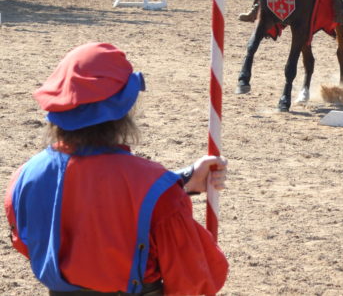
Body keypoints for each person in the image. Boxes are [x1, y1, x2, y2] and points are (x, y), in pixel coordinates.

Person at [5, 42, 228, 295]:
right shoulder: (157, 189)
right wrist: (170, 189)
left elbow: (32, 241)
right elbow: (194, 280)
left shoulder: (24, 177)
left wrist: (184, 180)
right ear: (125, 110)